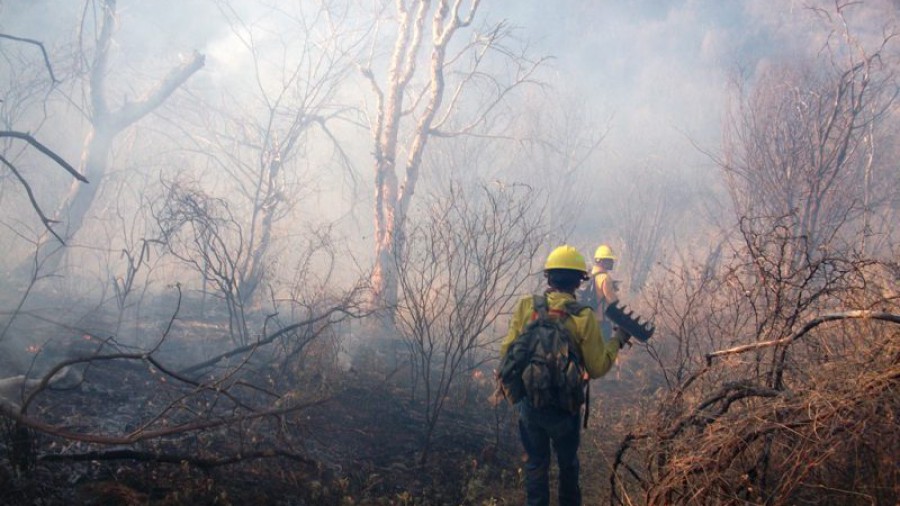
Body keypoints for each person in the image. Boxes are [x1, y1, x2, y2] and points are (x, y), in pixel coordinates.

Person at [499, 245, 628, 506]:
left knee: (536, 464)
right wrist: (617, 341)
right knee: (568, 465)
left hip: (530, 402)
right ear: (579, 282)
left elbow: (507, 352)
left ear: (548, 277)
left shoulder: (527, 306)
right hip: (565, 407)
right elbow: (597, 367)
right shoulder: (583, 317)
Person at [589, 244, 619, 339]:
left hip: (588, 321)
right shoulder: (605, 278)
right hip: (601, 323)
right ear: (601, 261)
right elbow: (612, 301)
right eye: (609, 260)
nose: (612, 262)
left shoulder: (589, 275)